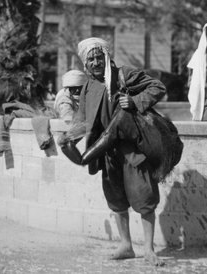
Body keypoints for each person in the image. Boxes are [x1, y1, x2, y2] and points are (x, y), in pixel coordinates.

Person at [59, 37, 166, 266]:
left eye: (100, 57)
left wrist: (135, 100)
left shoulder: (124, 74)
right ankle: (126, 245)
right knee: (116, 200)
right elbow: (83, 120)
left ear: (108, 57)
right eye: (91, 59)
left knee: (144, 198)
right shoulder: (88, 86)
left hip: (133, 151)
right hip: (107, 154)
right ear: (85, 64)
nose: (96, 62)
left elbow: (158, 87)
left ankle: (148, 249)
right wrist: (69, 137)